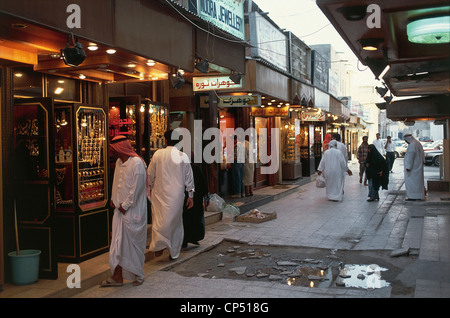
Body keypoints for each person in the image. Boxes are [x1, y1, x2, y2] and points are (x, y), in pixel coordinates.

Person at [101, 135, 148, 287]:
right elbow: (116, 183)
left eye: (113, 149)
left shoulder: (137, 163)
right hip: (119, 212)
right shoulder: (119, 162)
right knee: (117, 245)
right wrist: (114, 200)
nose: (112, 152)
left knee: (133, 245)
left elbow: (137, 189)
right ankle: (117, 277)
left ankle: (138, 275)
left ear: (120, 148)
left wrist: (126, 205)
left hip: (133, 212)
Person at [147, 130, 194, 260]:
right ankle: (173, 251)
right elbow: (189, 177)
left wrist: (148, 188)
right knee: (175, 223)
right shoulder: (182, 156)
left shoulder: (158, 154)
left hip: (159, 194)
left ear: (166, 141)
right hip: (177, 196)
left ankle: (159, 244)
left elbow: (150, 175)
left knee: (159, 220)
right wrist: (190, 195)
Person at [182, 153, 209, 248]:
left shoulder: (182, 170)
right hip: (196, 200)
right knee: (196, 219)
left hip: (186, 200)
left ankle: (185, 240)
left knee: (186, 220)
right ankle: (194, 237)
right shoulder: (196, 168)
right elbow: (203, 183)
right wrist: (206, 196)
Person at [403, 134, 425, 201]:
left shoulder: (412, 145)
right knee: (418, 183)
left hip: (412, 168)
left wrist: (408, 167)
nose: (406, 142)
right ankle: (418, 196)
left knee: (412, 183)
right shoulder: (417, 143)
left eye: (406, 140)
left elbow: (411, 156)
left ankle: (412, 196)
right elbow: (423, 155)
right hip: (418, 166)